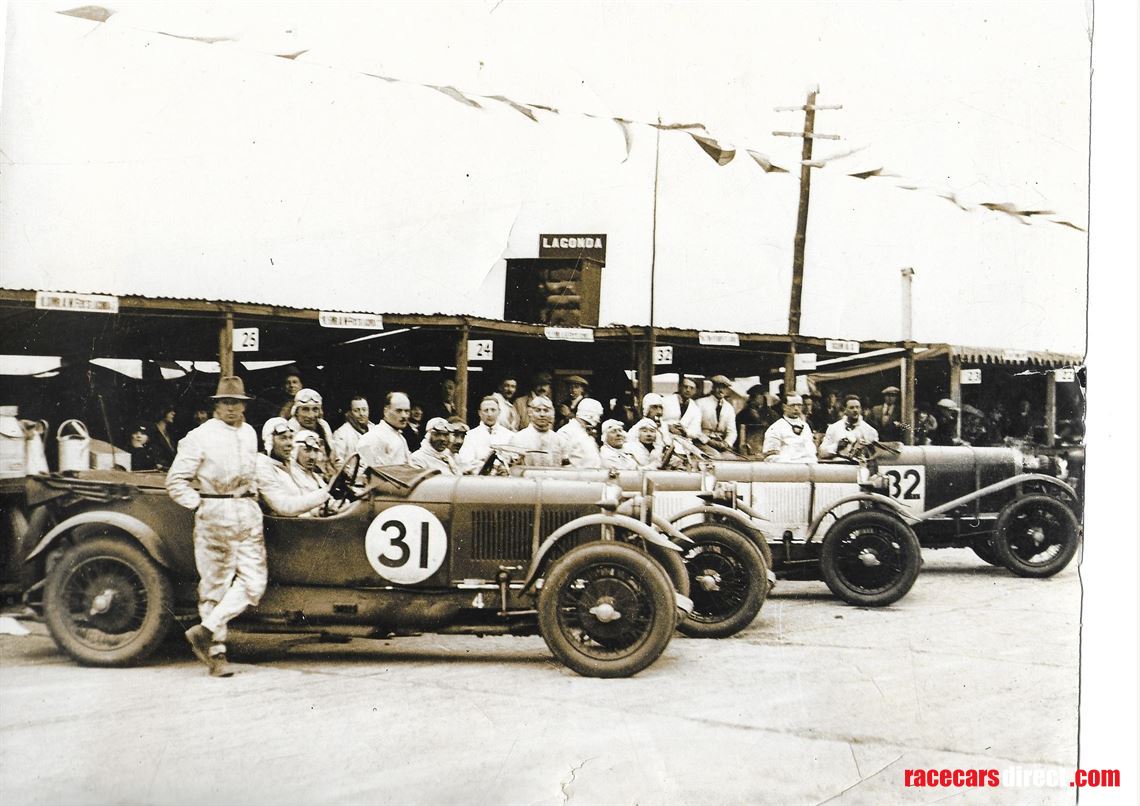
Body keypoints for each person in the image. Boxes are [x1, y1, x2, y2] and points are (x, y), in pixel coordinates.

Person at [166, 376, 264, 678]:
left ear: (245, 406)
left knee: (254, 582)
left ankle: (205, 628)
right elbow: (176, 481)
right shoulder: (200, 436)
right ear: (216, 405)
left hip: (246, 511)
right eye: (225, 402)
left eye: (237, 403)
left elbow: (252, 472)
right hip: (215, 511)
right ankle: (216, 653)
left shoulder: (249, 433)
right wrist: (199, 504)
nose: (232, 408)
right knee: (214, 586)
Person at [255, 418, 330, 517]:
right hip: (281, 524)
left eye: (291, 438)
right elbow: (283, 506)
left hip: (299, 521)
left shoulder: (289, 464)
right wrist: (324, 493)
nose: (289, 443)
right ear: (270, 441)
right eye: (283, 438)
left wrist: (318, 511)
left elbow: (302, 498)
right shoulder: (261, 465)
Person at [287, 388, 340, 471]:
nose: (310, 415)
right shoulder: (289, 430)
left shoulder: (323, 426)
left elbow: (334, 456)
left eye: (315, 409)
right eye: (305, 409)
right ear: (296, 411)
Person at [457, 396, 513, 473]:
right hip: (479, 477)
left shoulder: (509, 435)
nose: (489, 414)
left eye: (493, 410)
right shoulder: (470, 435)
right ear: (480, 413)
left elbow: (512, 461)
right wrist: (492, 467)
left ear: (499, 412)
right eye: (486, 410)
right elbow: (466, 461)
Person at [357, 392, 413, 467]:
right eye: (398, 411)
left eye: (407, 411)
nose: (404, 416)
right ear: (386, 411)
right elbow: (374, 471)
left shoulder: (398, 436)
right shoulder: (375, 437)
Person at [509, 395, 566, 467]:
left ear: (552, 413)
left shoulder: (558, 439)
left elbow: (566, 465)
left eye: (546, 410)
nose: (542, 414)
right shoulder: (519, 438)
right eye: (538, 410)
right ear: (530, 413)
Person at [819, 394, 880, 459]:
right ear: (845, 410)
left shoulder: (870, 430)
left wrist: (865, 449)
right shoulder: (834, 428)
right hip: (839, 463)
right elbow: (822, 452)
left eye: (857, 407)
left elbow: (876, 455)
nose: (855, 410)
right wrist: (837, 446)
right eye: (851, 408)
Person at [762, 394, 818, 463]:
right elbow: (771, 456)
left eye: (799, 405)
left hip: (809, 464)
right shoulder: (776, 428)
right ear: (784, 407)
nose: (796, 408)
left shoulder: (805, 426)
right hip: (788, 466)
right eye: (792, 405)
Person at [557, 397, 603, 467]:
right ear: (590, 414)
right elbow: (562, 461)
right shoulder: (566, 432)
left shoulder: (586, 432)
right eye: (598, 415)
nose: (599, 420)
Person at [697, 375, 738, 454]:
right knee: (715, 456)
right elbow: (695, 428)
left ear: (727, 390)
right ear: (713, 387)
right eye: (718, 387)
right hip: (702, 442)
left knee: (731, 458)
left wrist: (726, 443)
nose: (721, 390)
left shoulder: (729, 408)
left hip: (720, 444)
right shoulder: (700, 403)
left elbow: (732, 431)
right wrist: (708, 441)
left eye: (724, 388)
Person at [331, 395, 376, 460]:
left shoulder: (375, 430)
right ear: (350, 413)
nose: (361, 413)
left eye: (364, 409)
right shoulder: (341, 433)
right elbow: (338, 462)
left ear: (368, 411)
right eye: (356, 410)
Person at [737, 385, 777, 455]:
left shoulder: (772, 414)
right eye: (750, 397)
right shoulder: (743, 414)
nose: (751, 400)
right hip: (747, 451)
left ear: (762, 397)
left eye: (754, 396)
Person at [664, 377, 704, 441]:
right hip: (665, 437)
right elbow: (656, 420)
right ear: (680, 387)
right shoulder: (666, 400)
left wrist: (685, 432)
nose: (688, 390)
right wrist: (668, 427)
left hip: (684, 441)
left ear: (695, 391)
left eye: (692, 388)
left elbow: (696, 432)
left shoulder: (695, 409)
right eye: (685, 387)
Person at [151, 404, 178, 470]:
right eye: (170, 411)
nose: (174, 413)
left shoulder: (170, 432)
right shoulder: (152, 430)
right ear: (162, 412)